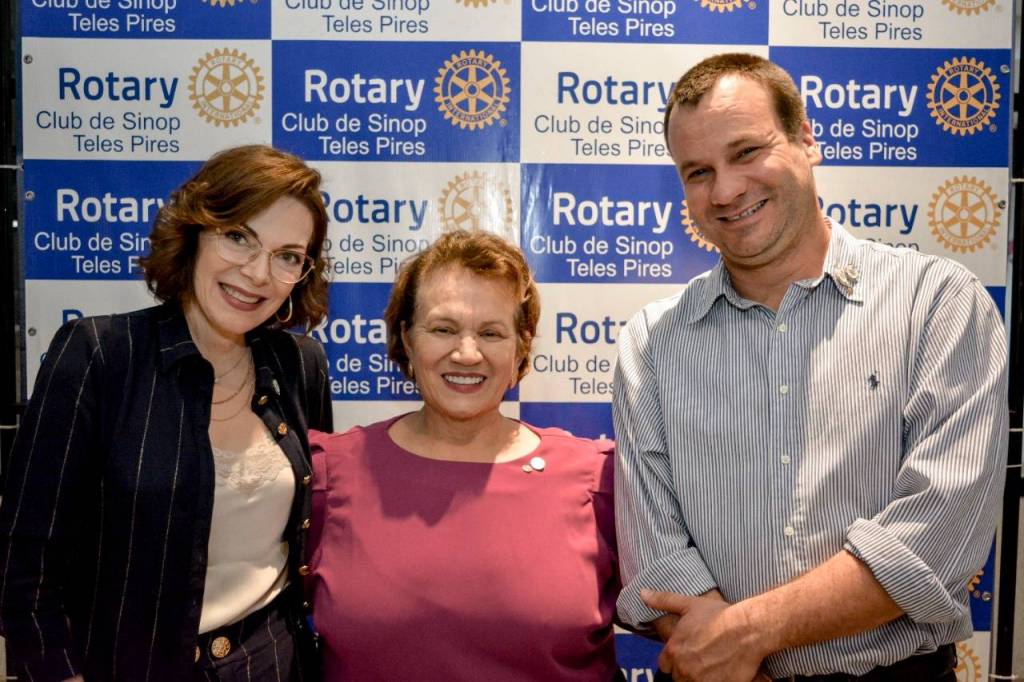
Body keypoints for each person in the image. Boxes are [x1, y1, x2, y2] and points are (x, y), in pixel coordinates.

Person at [612, 53, 1007, 682]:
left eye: (746, 152)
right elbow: (655, 559)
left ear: (805, 139)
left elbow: (934, 540)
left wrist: (743, 637)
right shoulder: (651, 344)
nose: (725, 191)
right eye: (698, 172)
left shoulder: (936, 303)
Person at [0, 144, 333, 681]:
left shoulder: (300, 364)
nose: (258, 273)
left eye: (288, 256)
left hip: (274, 664)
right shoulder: (99, 355)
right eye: (238, 237)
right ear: (195, 231)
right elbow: (25, 562)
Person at [305, 229, 620, 681]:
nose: (467, 353)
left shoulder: (599, 481)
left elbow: (680, 615)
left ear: (521, 347)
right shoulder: (325, 475)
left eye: (491, 333)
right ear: (406, 339)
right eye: (443, 329)